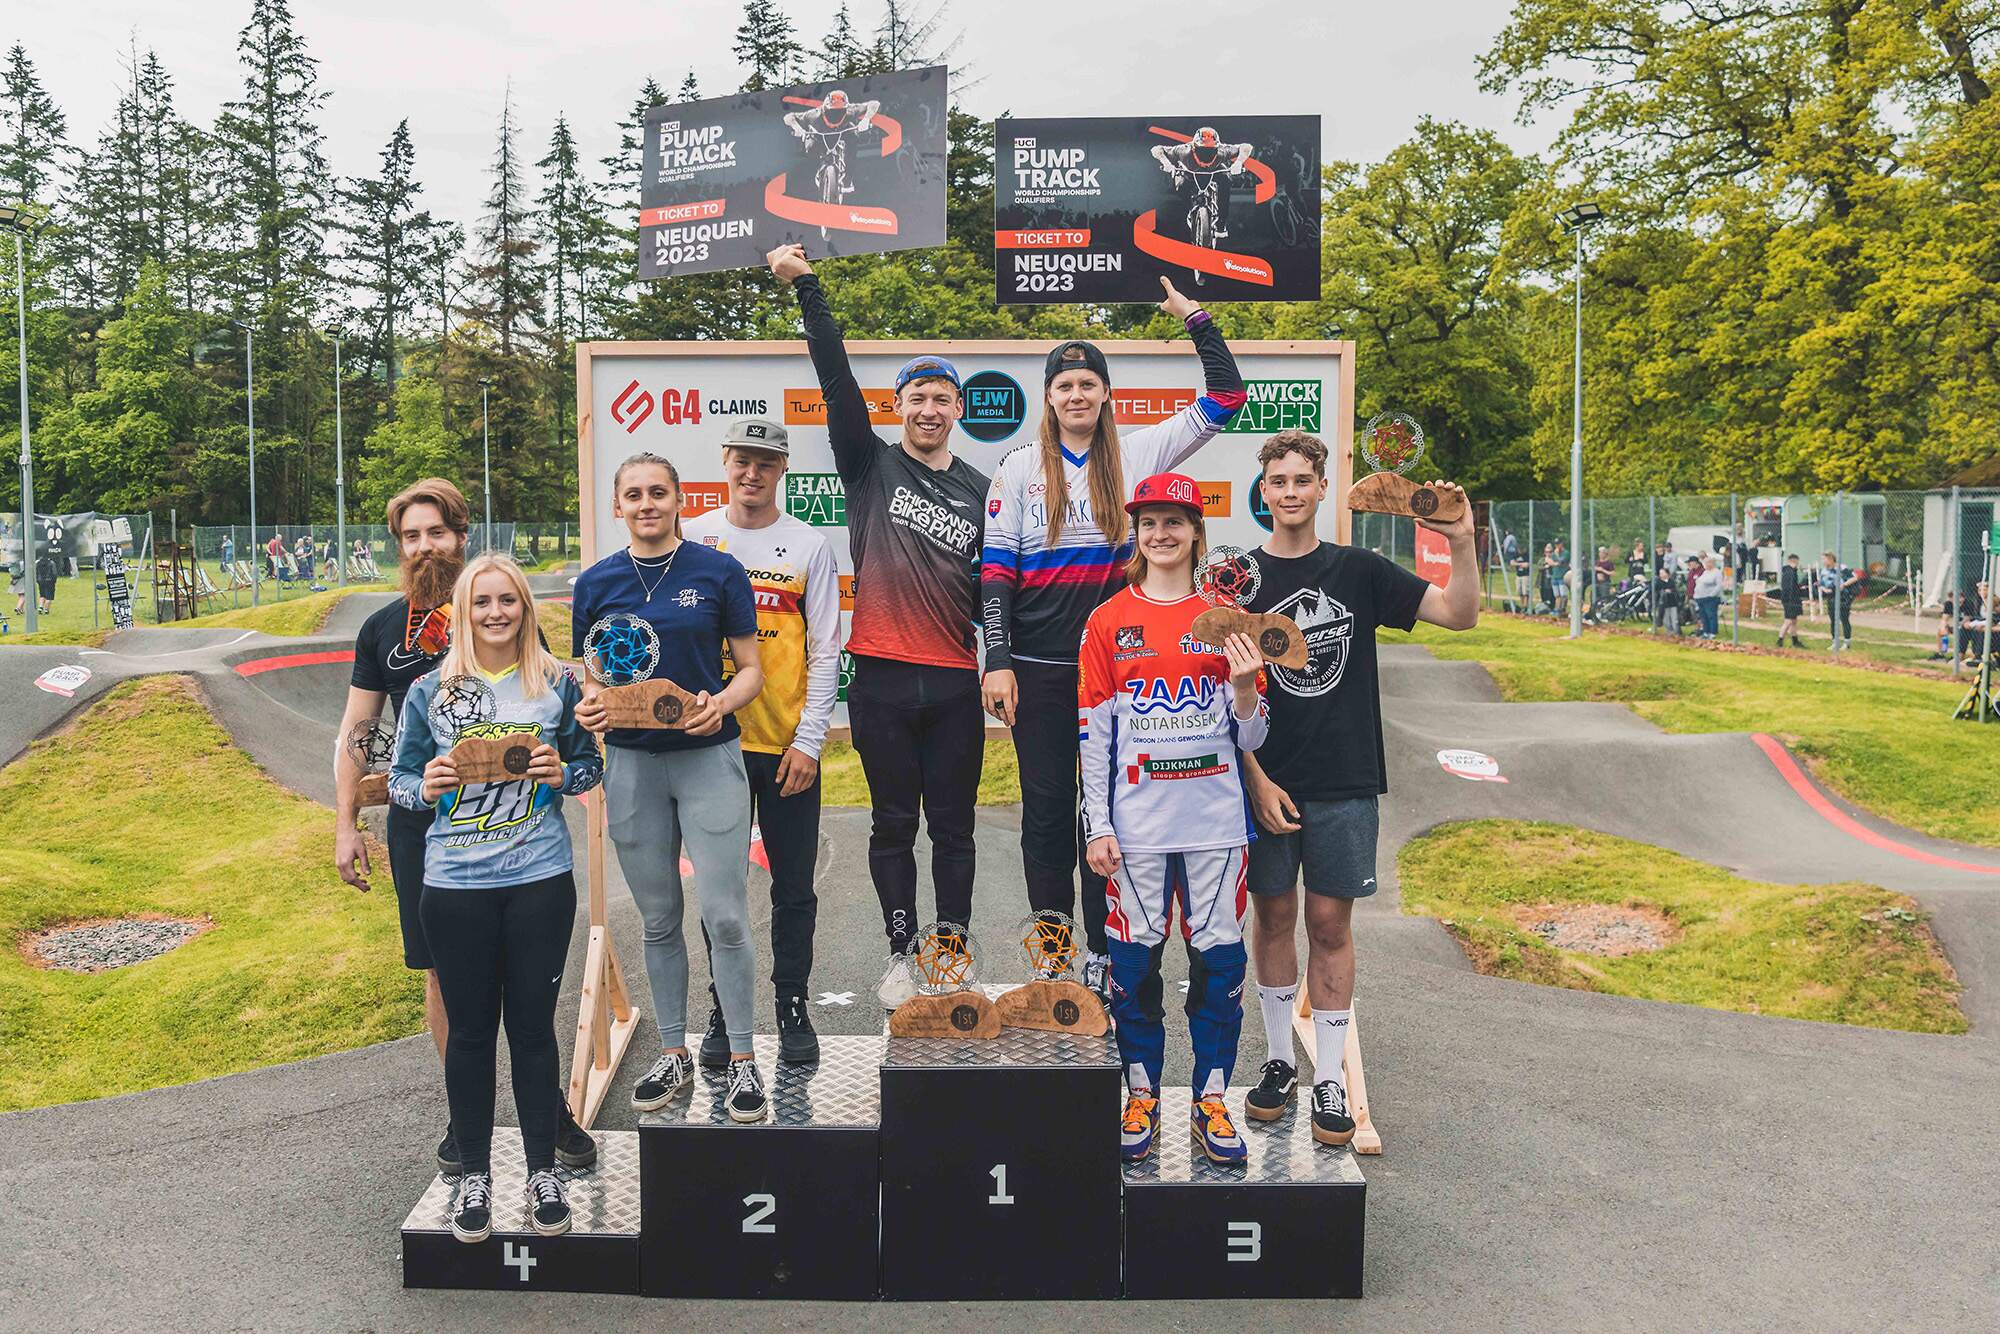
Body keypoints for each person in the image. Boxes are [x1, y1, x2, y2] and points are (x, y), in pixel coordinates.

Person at [980, 278, 1244, 996]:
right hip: (1036, 667)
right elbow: (997, 573)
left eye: (1088, 383)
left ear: (1104, 394)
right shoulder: (1017, 468)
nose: (1076, 395)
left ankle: (1101, 947)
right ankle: (1053, 953)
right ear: (1049, 396)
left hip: (1116, 673)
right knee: (1044, 814)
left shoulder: (1140, 451)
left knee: (1109, 812)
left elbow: (1225, 398)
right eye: (1064, 384)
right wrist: (996, 662)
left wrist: (1193, 317)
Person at [336, 477, 597, 1175]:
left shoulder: (500, 607)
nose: (424, 546)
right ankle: (466, 1120)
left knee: (529, 1004)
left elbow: (558, 704)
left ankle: (549, 1114)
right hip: (431, 836)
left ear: (460, 536)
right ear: (400, 546)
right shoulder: (384, 631)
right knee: (444, 983)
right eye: (411, 536)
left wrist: (573, 757)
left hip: (525, 842)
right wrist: (346, 821)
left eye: (436, 532)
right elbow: (358, 731)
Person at [1235, 431, 1477, 1146]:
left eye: (1300, 480)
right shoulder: (1237, 580)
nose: (1288, 491)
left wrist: (1461, 540)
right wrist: (1254, 780)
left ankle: (1331, 1077)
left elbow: (1460, 614)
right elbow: (1223, 696)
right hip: (1267, 781)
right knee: (1273, 920)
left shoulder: (1359, 570)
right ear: (1263, 491)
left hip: (1343, 780)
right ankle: (1281, 1061)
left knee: (1331, 927)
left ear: (1319, 487)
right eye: (1276, 480)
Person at [767, 244, 992, 1010]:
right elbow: (833, 376)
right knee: (894, 826)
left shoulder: (983, 491)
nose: (929, 410)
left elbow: (1000, 589)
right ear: (900, 407)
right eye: (916, 397)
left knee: (955, 832)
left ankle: (950, 951)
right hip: (884, 680)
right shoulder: (867, 465)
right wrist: (809, 289)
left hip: (956, 682)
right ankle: (901, 954)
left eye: (942, 398)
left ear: (959, 408)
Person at [389, 554, 603, 1244]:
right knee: (473, 1035)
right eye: (482, 602)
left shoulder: (557, 682)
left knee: (535, 1032)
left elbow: (590, 765)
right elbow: (397, 780)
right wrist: (424, 787)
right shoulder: (430, 690)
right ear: (464, 610)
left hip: (539, 881)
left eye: (507, 600)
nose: (495, 613)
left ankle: (543, 1171)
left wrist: (563, 771)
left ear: (524, 607)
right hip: (455, 889)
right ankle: (476, 1176)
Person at [1078, 472, 1268, 1165]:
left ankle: (1211, 1096)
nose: (1161, 534)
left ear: (1196, 533)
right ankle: (1142, 1093)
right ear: (1137, 532)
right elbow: (1093, 734)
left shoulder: (1226, 621)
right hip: (1137, 834)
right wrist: (1098, 826)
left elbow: (1252, 739)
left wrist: (1245, 689)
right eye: (1150, 522)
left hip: (1217, 827)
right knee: (1134, 966)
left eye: (1175, 522)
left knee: (1219, 967)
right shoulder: (1107, 620)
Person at [573, 452, 770, 1122]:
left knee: (724, 915)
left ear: (680, 498)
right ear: (618, 505)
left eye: (659, 492)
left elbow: (750, 670)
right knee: (659, 918)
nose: (647, 503)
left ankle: (742, 1058)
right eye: (634, 494)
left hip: (707, 758)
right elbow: (592, 675)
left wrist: (722, 701)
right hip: (632, 767)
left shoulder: (718, 571)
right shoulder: (596, 582)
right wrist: (592, 704)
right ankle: (674, 1049)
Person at [684, 419, 841, 1065]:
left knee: (794, 889)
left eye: (766, 463)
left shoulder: (810, 544)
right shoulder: (693, 537)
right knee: (720, 890)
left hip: (784, 749)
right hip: (710, 747)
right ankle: (725, 1010)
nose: (753, 473)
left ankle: (792, 1004)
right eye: (742, 460)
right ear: (724, 461)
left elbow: (828, 649)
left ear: (783, 470)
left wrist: (809, 742)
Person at [1150, 126, 1255, 241]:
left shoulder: (1223, 151)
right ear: (1194, 148)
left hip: (1215, 170)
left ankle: (1221, 223)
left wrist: (1238, 163)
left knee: (1226, 181)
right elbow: (1156, 149)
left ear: (1217, 148)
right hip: (1189, 172)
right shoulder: (1184, 150)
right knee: (1180, 184)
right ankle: (1189, 209)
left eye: (1210, 151)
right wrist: (1166, 163)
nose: (1206, 155)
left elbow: (1246, 147)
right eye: (1202, 151)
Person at [1820, 552, 1858, 649]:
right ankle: (1835, 642)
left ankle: (1847, 642)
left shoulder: (1842, 568)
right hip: (1831, 596)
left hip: (1843, 597)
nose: (1823, 561)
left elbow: (1854, 578)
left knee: (1844, 619)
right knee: (1833, 620)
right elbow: (1821, 584)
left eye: (1824, 559)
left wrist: (1844, 585)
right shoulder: (1824, 571)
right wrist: (1824, 589)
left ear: (1831, 559)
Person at [1778, 553, 1807, 648]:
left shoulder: (1787, 572)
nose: (1797, 564)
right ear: (1793, 561)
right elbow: (1789, 587)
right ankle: (1780, 640)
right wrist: (1792, 598)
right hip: (1790, 600)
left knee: (1794, 621)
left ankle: (1795, 641)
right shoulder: (1791, 572)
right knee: (1788, 621)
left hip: (1791, 599)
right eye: (1797, 562)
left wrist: (1799, 588)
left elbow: (1793, 586)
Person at [1692, 553, 1724, 638]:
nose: (1706, 565)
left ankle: (1713, 632)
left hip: (1710, 598)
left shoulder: (1717, 573)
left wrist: (1711, 595)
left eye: (1707, 563)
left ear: (1712, 563)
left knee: (1711, 615)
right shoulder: (1705, 572)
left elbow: (1719, 585)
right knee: (1703, 616)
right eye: (1705, 563)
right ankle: (1706, 631)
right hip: (1700, 597)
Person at [34, 549, 57, 615]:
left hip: (40, 581)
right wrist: (54, 580)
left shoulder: (38, 563)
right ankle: (46, 609)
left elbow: (36, 572)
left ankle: (40, 607)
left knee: (42, 594)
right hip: (50, 581)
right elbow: (54, 573)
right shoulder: (51, 563)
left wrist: (37, 579)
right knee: (49, 596)